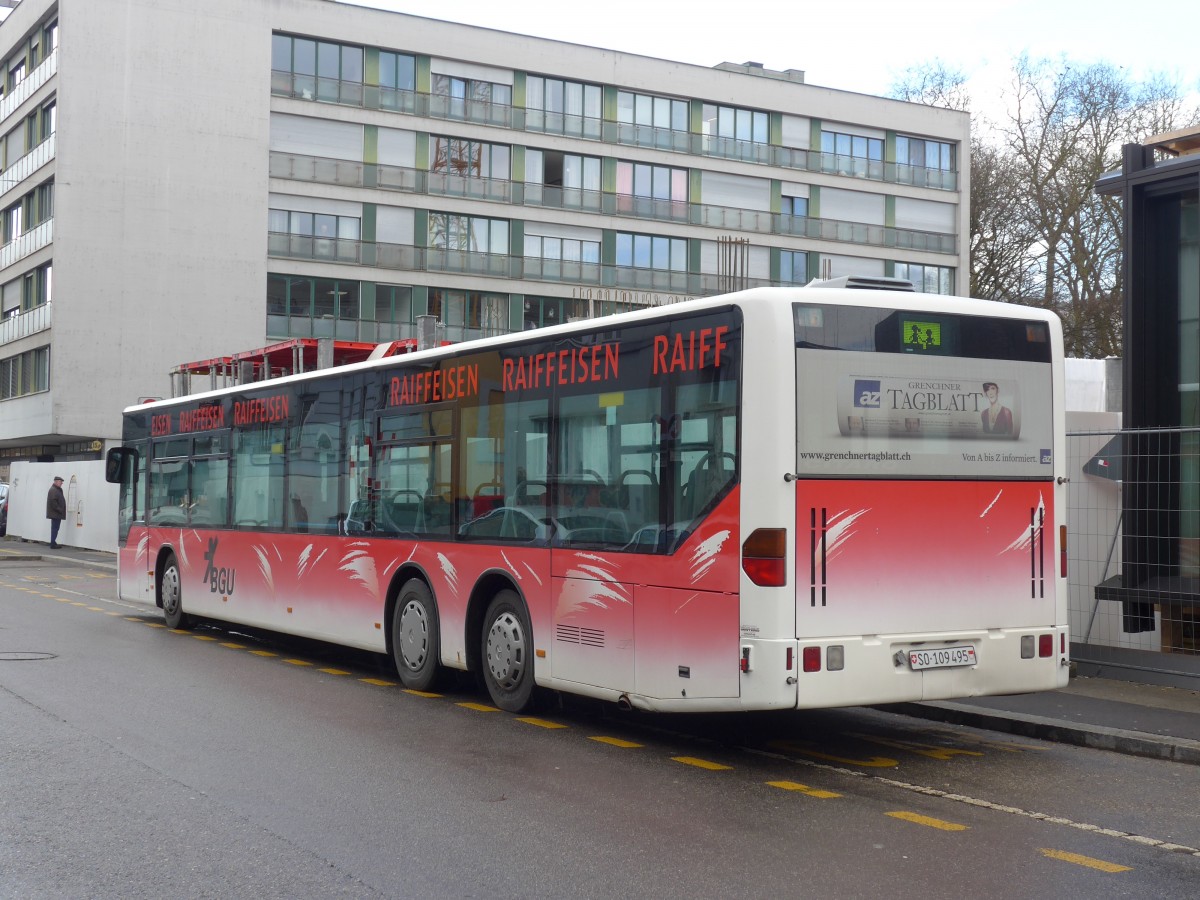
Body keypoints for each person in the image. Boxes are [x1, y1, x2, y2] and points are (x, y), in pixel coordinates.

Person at [46, 475, 67, 549]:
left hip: (56, 513)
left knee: (55, 528)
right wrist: (60, 509)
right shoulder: (54, 490)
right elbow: (53, 502)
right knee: (55, 528)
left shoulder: (56, 489)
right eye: (61, 482)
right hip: (56, 514)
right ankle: (53, 543)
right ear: (56, 482)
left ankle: (53, 542)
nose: (62, 483)